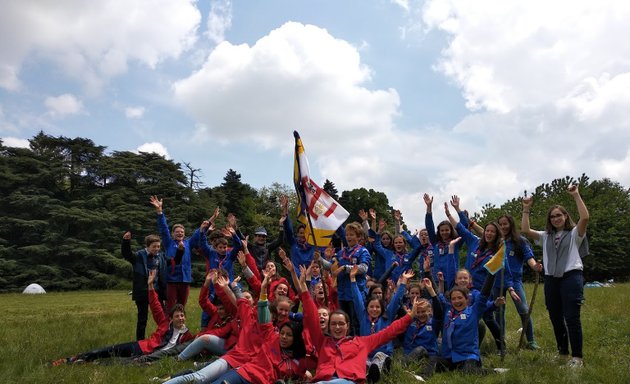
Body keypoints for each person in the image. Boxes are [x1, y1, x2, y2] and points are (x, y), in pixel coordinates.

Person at [292, 259, 420, 384]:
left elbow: (389, 332)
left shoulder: (361, 342)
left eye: (341, 324)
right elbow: (312, 319)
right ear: (329, 327)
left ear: (347, 326)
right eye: (334, 324)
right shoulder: (322, 342)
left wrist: (410, 316)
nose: (337, 327)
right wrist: (304, 289)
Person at [51, 270, 193, 365]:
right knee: (107, 350)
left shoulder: (186, 335)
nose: (180, 318)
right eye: (177, 316)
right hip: (141, 347)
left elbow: (197, 345)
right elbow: (155, 305)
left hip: (149, 357)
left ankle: (86, 363)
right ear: (171, 318)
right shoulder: (164, 323)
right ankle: (71, 359)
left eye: (182, 316)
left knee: (115, 362)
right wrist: (150, 285)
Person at [521, 184, 589, 368]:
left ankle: (577, 358)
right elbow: (525, 230)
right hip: (551, 279)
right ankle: (563, 353)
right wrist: (526, 209)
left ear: (566, 216)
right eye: (552, 216)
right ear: (549, 220)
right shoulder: (545, 236)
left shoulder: (575, 233)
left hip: (571, 277)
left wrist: (575, 195)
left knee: (572, 317)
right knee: (555, 317)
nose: (556, 218)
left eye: (559, 215)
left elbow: (585, 217)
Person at [351, 265, 411, 382]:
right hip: (366, 353)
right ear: (366, 308)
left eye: (377, 307)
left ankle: (377, 370)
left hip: (383, 352)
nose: (374, 309)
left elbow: (395, 300)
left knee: (379, 358)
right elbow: (357, 298)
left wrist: (403, 282)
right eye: (371, 307)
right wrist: (353, 279)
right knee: (361, 361)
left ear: (382, 308)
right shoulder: (363, 316)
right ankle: (369, 371)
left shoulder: (387, 316)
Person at [150, 195, 203, 312]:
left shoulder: (188, 243)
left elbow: (199, 232)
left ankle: (181, 328)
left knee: (181, 307)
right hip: (171, 280)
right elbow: (164, 228)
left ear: (184, 234)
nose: (180, 233)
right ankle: (168, 327)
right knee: (170, 307)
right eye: (177, 232)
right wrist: (159, 212)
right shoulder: (169, 242)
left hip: (185, 280)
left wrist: (209, 222)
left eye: (182, 232)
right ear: (173, 234)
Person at [497, 213, 542, 350]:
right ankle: (501, 341)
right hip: (498, 280)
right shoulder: (496, 241)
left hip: (515, 280)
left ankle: (531, 341)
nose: (503, 226)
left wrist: (534, 266)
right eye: (501, 224)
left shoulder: (520, 241)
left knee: (523, 309)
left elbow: (529, 256)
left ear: (511, 224)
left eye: (505, 223)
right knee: (499, 311)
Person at [121, 231, 168, 341]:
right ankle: (140, 341)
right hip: (142, 292)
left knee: (163, 316)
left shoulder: (160, 256)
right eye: (154, 247)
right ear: (147, 246)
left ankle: (165, 337)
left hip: (157, 292)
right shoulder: (139, 256)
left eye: (158, 246)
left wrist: (180, 251)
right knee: (142, 318)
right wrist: (126, 241)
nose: (156, 249)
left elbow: (172, 261)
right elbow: (127, 254)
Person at [423, 194, 460, 289]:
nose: (444, 232)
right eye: (442, 230)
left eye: (447, 230)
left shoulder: (456, 242)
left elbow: (462, 228)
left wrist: (456, 210)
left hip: (452, 279)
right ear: (439, 232)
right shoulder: (435, 243)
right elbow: (429, 226)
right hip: (437, 278)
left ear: (451, 230)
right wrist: (429, 207)